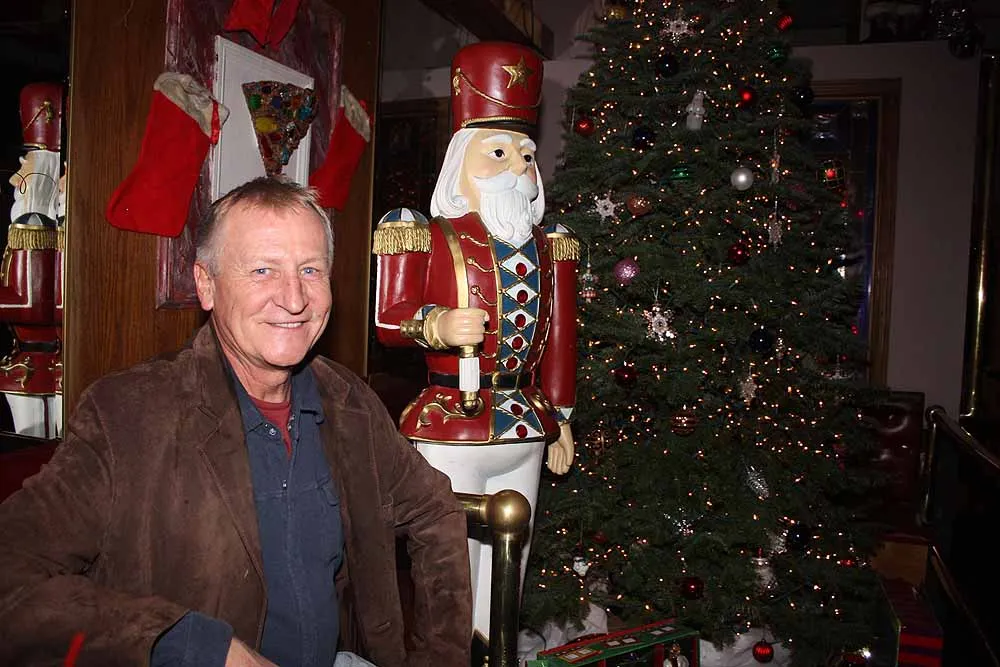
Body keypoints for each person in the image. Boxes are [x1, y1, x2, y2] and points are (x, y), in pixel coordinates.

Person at [0, 176, 472, 667]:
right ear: (206, 284)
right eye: (263, 270)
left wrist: (440, 655)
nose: (294, 299)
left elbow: (435, 509)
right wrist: (187, 645)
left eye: (310, 270)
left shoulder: (349, 401)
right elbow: (10, 577)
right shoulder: (127, 416)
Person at [373, 41, 579, 643]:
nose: (518, 166)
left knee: (511, 572)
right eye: (499, 151)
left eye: (526, 154)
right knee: (449, 570)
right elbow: (389, 320)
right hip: (450, 423)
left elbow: (561, 338)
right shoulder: (420, 233)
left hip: (525, 423)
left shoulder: (552, 246)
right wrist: (434, 325)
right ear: (461, 159)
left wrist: (562, 418)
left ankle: (498, 650)